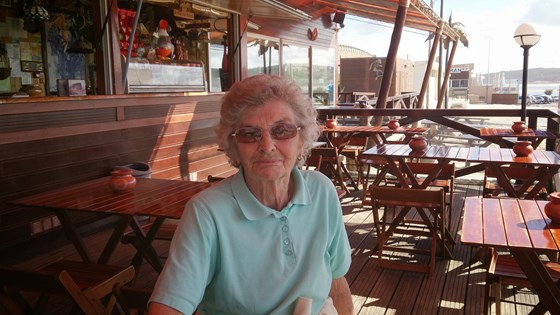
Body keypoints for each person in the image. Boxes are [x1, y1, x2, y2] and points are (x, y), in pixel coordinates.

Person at [148, 74, 354, 315]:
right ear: (234, 145)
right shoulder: (207, 212)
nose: (267, 145)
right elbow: (168, 307)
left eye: (282, 130)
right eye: (250, 133)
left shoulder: (322, 191)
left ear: (301, 140)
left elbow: (337, 279)